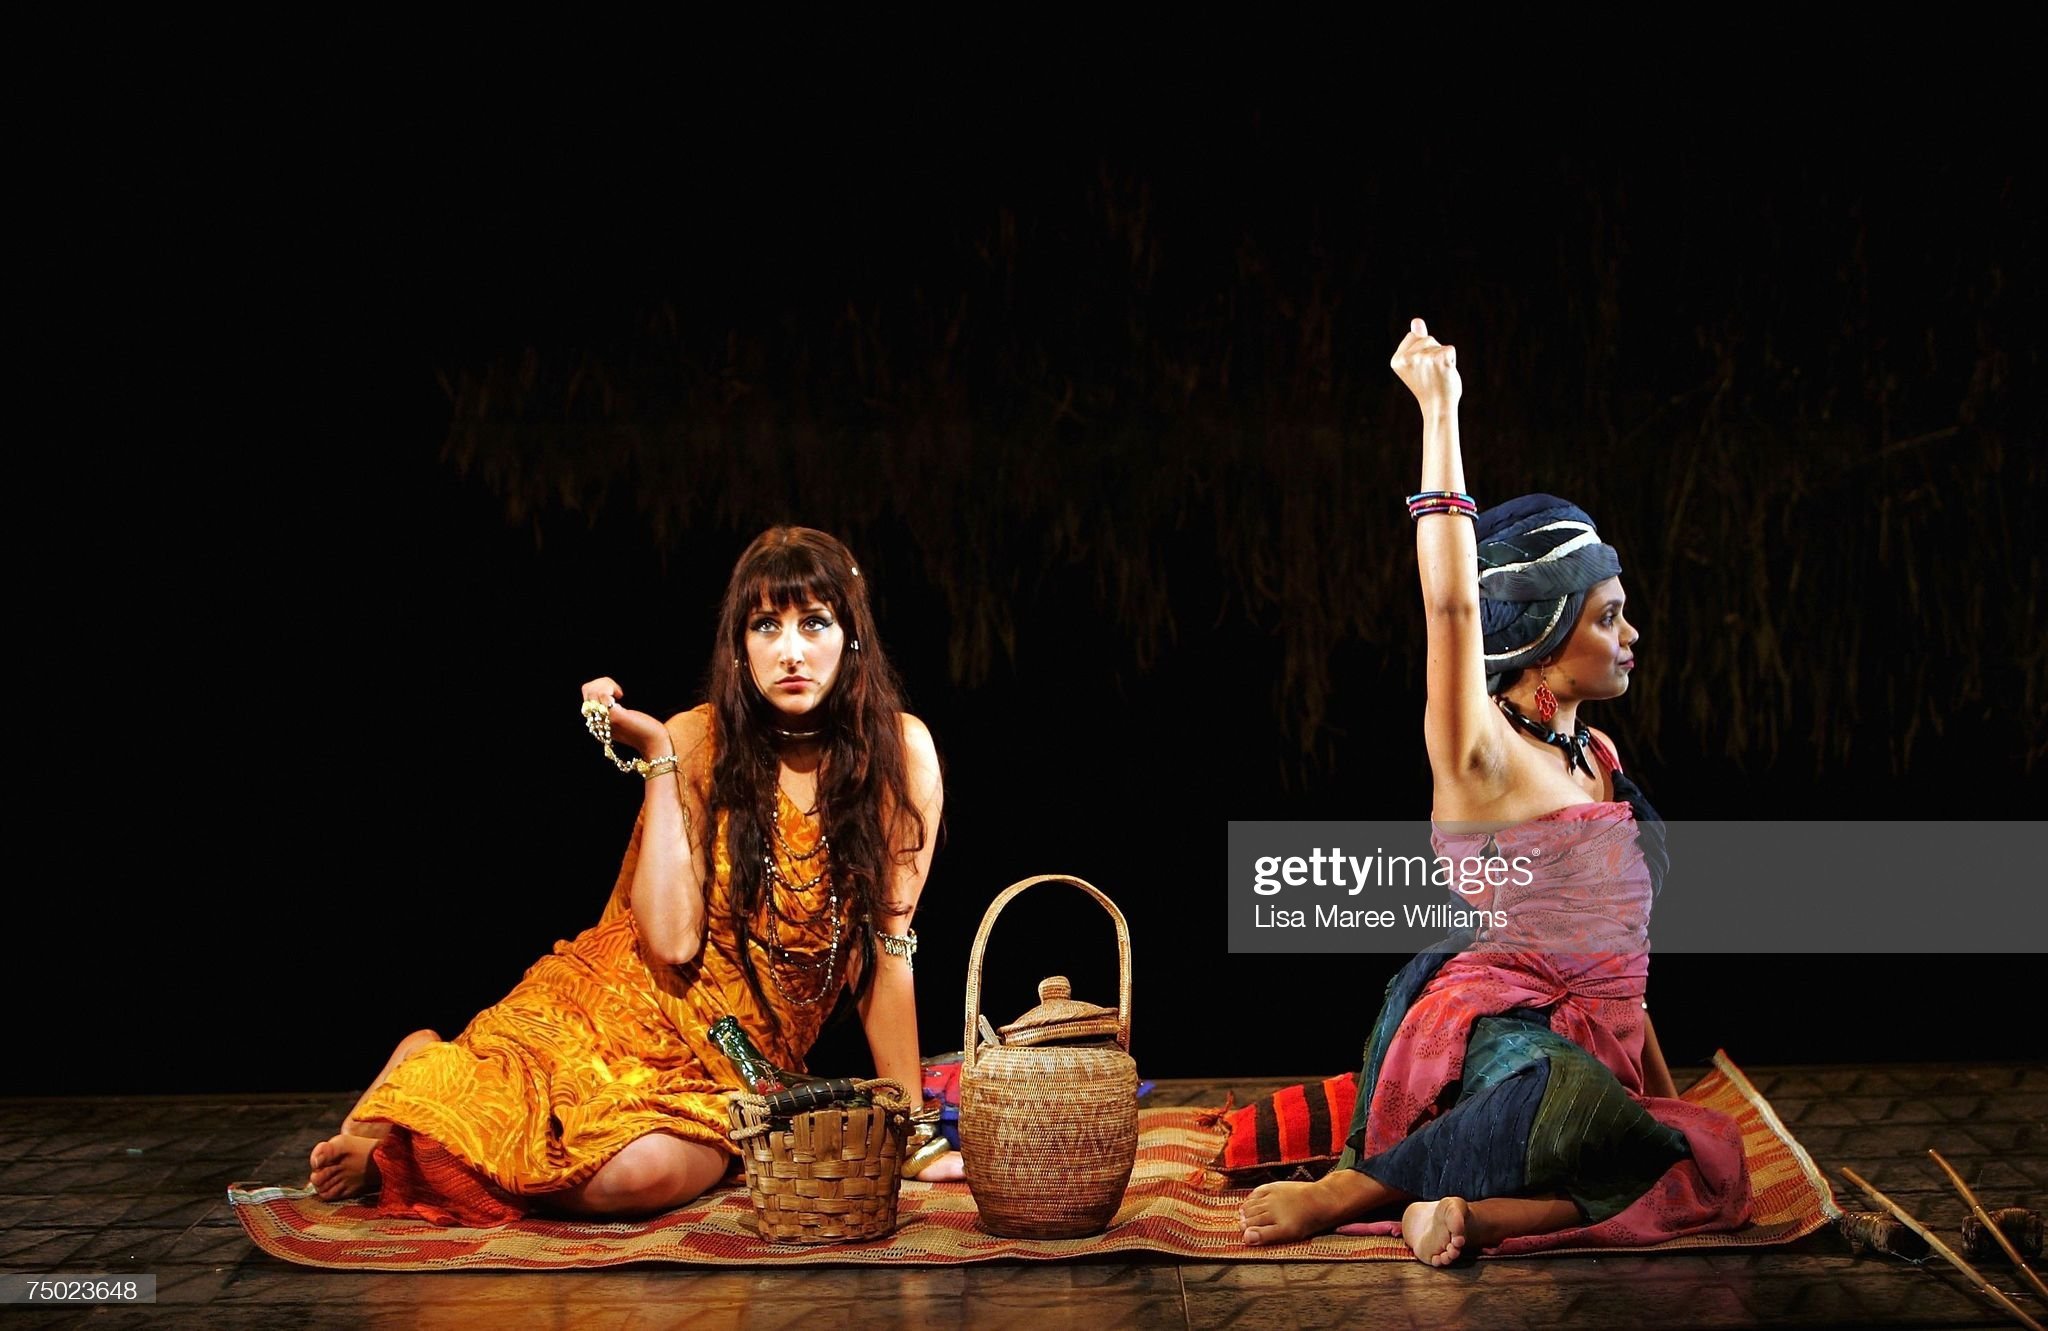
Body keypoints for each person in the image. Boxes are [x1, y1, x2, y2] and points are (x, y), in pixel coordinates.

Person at [1238, 320, 1752, 1261]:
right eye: (1609, 617)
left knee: (1692, 1158)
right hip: (1498, 1036)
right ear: (1547, 638)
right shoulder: (1481, 756)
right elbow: (1450, 605)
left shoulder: (1596, 754)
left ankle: (1464, 1217)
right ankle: (1351, 1190)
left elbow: (1622, 968)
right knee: (1566, 1101)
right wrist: (1440, 408)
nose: (1632, 635)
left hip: (1594, 1048)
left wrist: (1662, 1100)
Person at [308, 526, 944, 1222]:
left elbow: (887, 951)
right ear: (739, 646)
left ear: (852, 637)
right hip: (620, 1003)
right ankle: (417, 1113)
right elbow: (670, 941)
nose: (791, 650)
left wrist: (910, 1134)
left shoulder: (900, 752)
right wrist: (659, 756)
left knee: (636, 1178)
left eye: (814, 623)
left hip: (734, 1063)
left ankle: (417, 1123)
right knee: (539, 1119)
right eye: (766, 625)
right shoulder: (698, 738)